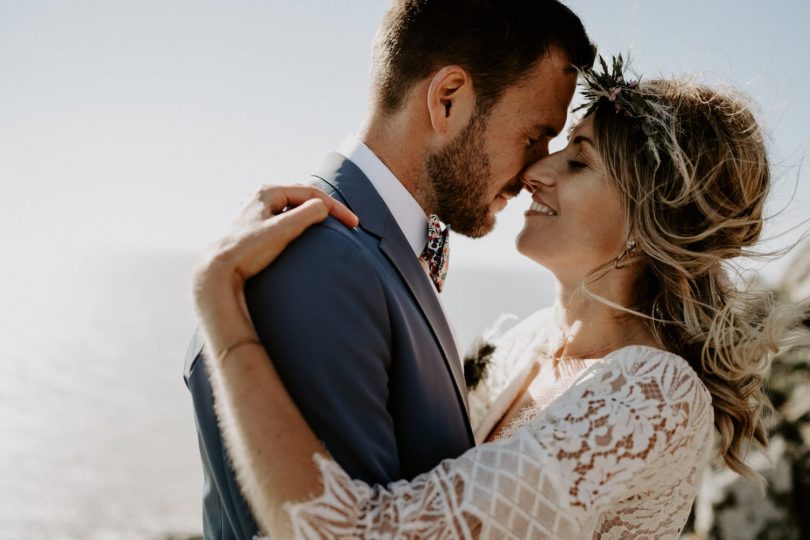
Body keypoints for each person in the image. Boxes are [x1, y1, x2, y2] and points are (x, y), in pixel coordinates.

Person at [192, 58, 810, 538]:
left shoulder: (655, 395)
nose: (536, 172)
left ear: (647, 221)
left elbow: (354, 530)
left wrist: (220, 302)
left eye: (578, 162)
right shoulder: (530, 342)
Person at [183, 1, 594, 538]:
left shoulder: (369, 250)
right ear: (448, 99)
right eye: (535, 134)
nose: (538, 167)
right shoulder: (320, 264)